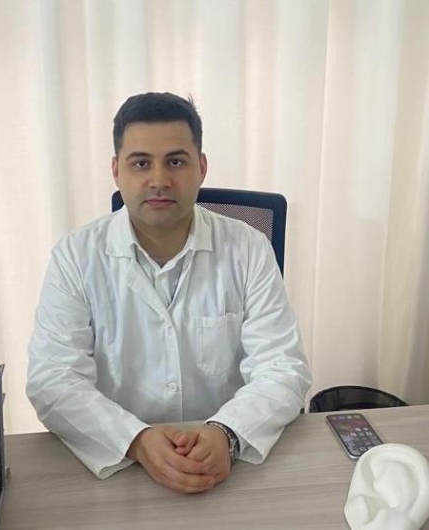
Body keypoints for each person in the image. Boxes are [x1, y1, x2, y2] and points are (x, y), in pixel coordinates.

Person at [27, 92, 312, 494]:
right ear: (116, 171)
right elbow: (53, 379)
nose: (159, 179)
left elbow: (283, 367)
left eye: (175, 162)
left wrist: (227, 432)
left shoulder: (249, 248)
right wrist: (135, 440)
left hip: (228, 468)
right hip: (121, 467)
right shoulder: (75, 256)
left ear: (201, 167)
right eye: (141, 163)